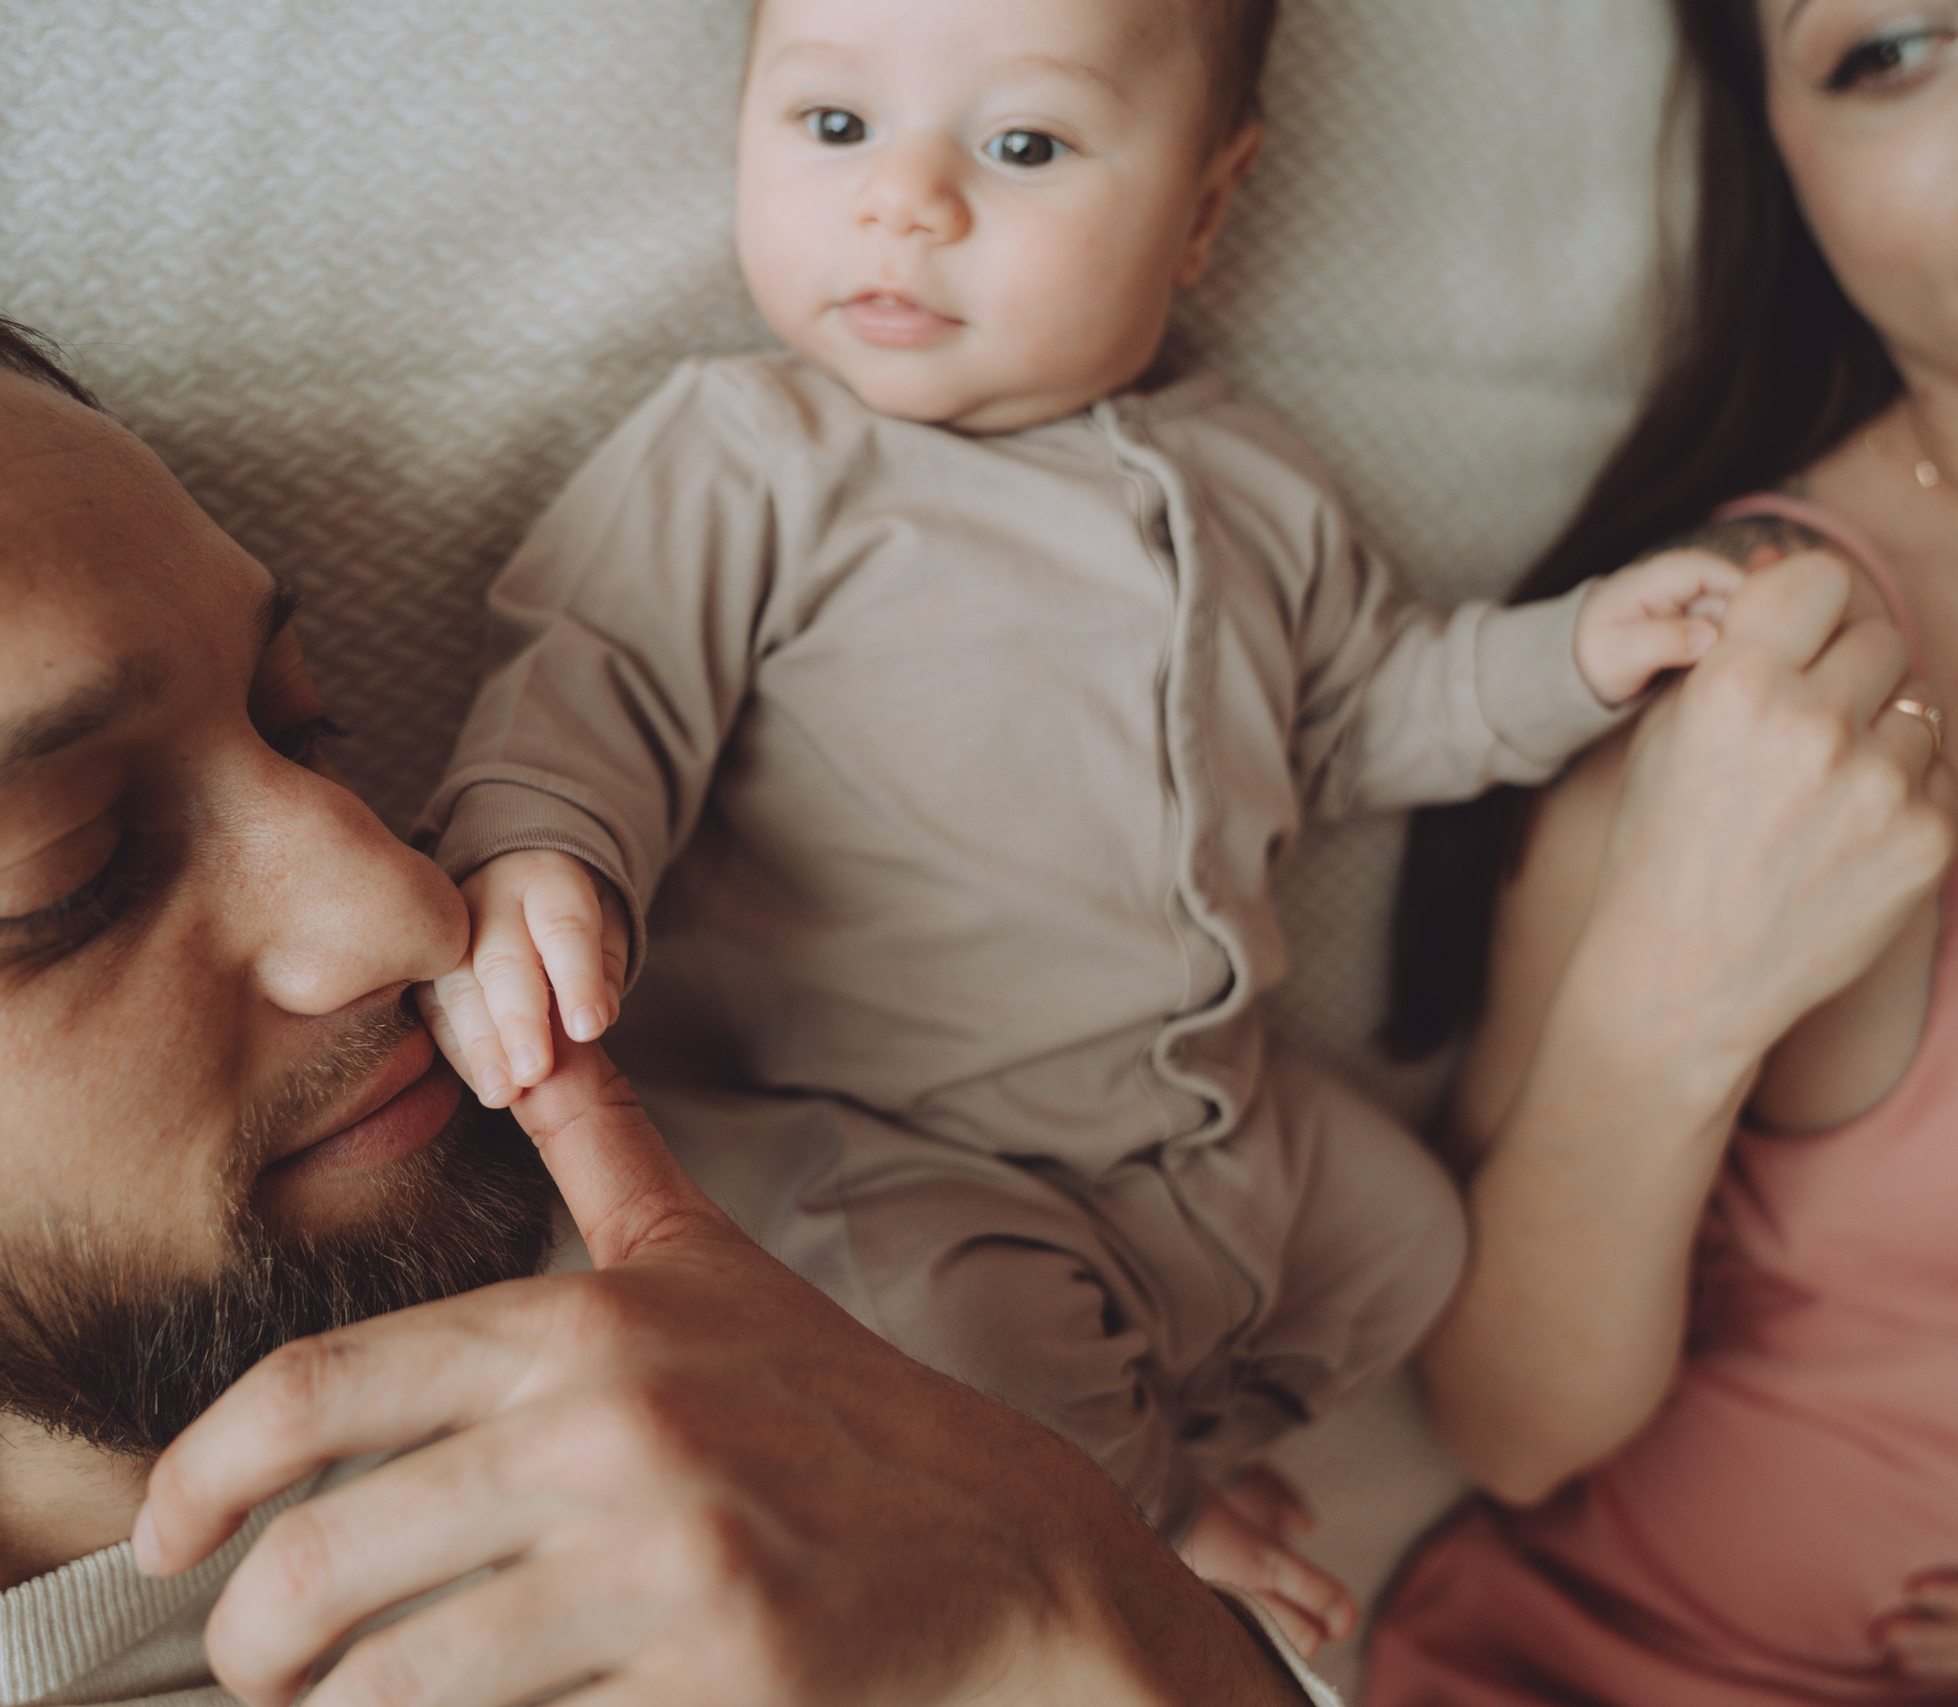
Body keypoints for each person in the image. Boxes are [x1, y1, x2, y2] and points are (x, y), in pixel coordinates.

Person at [0, 255, 1352, 1706]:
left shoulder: (801, 1416)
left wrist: (1069, 1606)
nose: (408, 906)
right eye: (75, 872)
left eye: (304, 722)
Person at [411, 0, 1740, 1650]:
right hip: (878, 1138)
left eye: (1021, 146)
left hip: (1206, 1143)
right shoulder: (759, 451)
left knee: (1406, 1236)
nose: (905, 203)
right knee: (948, 1322)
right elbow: (596, 678)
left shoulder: (1254, 480)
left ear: (1199, 209)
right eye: (833, 128)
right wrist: (543, 845)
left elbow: (1365, 712)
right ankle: (1127, 1501)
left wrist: (1577, 656)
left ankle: (1147, 1437)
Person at [1364, 0, 1958, 1700]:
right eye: (1891, 46)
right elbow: (1506, 1430)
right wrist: (1667, 1003)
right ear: (1785, 163)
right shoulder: (1758, 672)